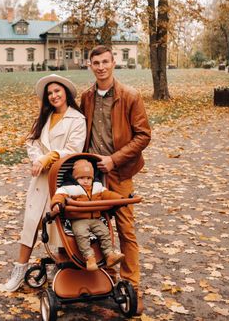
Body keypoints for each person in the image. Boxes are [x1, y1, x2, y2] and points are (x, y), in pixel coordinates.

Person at [80, 45, 151, 314]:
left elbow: (143, 135)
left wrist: (114, 159)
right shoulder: (86, 97)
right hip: (93, 177)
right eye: (95, 62)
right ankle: (105, 280)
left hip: (119, 173)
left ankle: (132, 286)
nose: (101, 67)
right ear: (90, 65)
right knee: (94, 226)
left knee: (125, 229)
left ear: (114, 63)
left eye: (105, 61)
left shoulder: (130, 96)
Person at [0, 74, 86, 292]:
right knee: (30, 224)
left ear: (66, 92)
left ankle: (62, 272)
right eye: (50, 93)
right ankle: (19, 270)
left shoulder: (77, 119)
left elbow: (75, 149)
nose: (54, 95)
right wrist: (39, 158)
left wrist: (50, 157)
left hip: (61, 179)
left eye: (57, 91)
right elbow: (32, 142)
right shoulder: (44, 118)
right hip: (40, 179)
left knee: (58, 227)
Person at [51, 159, 124, 271]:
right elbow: (59, 195)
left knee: (104, 232)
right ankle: (89, 258)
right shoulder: (69, 188)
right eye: (81, 178)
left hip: (96, 218)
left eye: (88, 178)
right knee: (82, 234)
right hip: (78, 219)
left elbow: (108, 194)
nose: (86, 181)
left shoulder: (97, 187)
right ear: (75, 178)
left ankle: (109, 254)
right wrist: (56, 204)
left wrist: (121, 199)